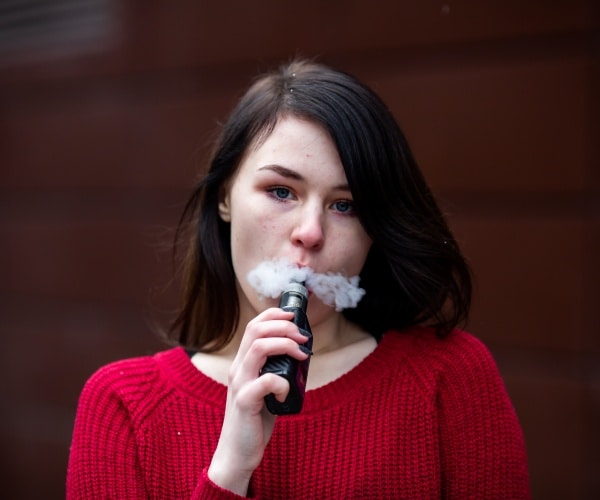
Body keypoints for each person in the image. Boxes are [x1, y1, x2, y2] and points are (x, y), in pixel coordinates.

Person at [67, 58, 530, 499]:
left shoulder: (449, 378)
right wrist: (230, 469)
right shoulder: (124, 406)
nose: (310, 233)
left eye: (345, 205)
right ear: (225, 197)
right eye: (281, 191)